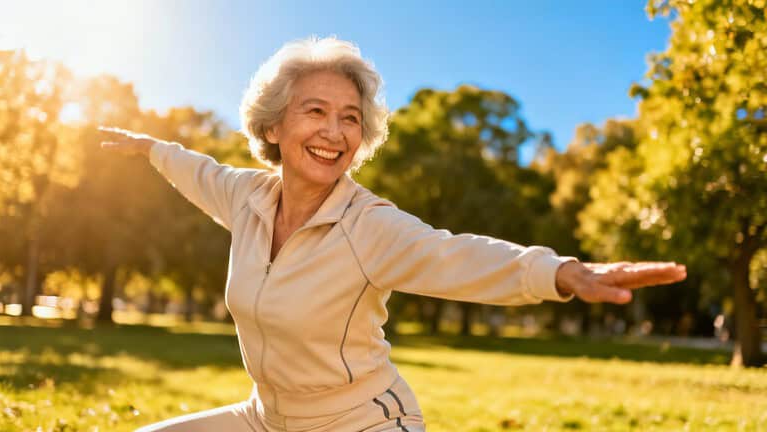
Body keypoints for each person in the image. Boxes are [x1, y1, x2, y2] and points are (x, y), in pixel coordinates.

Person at [99, 37, 687, 432]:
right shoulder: (248, 197)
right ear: (274, 125)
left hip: (363, 421)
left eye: (350, 117)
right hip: (266, 419)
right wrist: (151, 148)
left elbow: (454, 256)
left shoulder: (368, 225)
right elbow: (199, 171)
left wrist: (560, 272)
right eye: (315, 111)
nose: (335, 131)